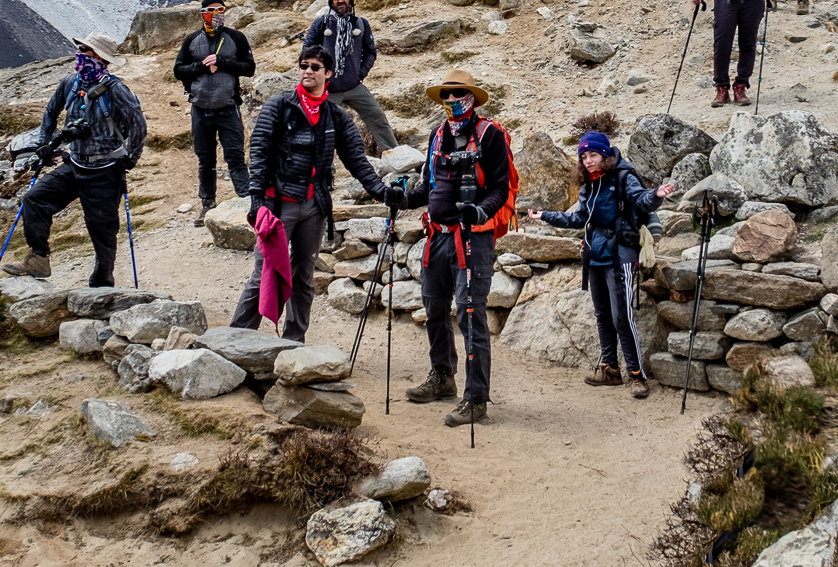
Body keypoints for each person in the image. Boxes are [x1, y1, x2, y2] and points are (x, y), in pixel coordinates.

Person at [231, 43, 391, 340]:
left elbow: (355, 158)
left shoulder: (336, 115)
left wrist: (381, 192)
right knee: (263, 272)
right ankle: (237, 337)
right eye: (304, 65)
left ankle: (294, 341)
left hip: (315, 206)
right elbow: (260, 152)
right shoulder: (278, 106)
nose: (307, 71)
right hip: (276, 205)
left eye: (315, 67)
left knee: (303, 276)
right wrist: (256, 200)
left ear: (328, 73)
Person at [386, 67, 514, 429]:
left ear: (471, 98)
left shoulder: (490, 135)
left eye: (457, 94)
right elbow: (430, 186)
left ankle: (476, 398)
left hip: (472, 236)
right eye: (446, 95)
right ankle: (442, 376)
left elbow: (500, 187)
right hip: (437, 234)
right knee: (434, 306)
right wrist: (403, 199)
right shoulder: (437, 135)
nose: (451, 100)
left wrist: (481, 210)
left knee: (471, 313)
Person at [528, 130, 673, 398]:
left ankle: (637, 375)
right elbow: (578, 218)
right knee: (602, 314)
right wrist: (545, 215)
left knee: (622, 317)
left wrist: (657, 194)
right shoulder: (589, 184)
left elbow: (642, 199)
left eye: (592, 154)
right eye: (583, 156)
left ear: (604, 154)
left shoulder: (622, 177)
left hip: (621, 256)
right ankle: (609, 369)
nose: (587, 160)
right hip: (595, 255)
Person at [6, 35, 148, 285]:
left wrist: (130, 157)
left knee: (101, 229)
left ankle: (103, 280)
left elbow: (138, 123)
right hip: (75, 163)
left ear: (101, 58)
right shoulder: (71, 83)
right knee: (35, 200)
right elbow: (51, 111)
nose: (79, 53)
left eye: (86, 50)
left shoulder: (116, 89)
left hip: (105, 169)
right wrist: (44, 144)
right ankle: (38, 258)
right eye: (80, 48)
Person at [173, 0, 257, 214]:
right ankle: (208, 204)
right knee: (205, 158)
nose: (217, 14)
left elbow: (249, 68)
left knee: (235, 156)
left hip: (228, 107)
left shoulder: (236, 38)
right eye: (211, 11)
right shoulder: (192, 40)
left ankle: (246, 201)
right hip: (200, 108)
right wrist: (201, 66)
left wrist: (223, 62)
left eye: (221, 10)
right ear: (203, 14)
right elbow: (178, 70)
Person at [302, 0, 398, 150]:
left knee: (377, 117)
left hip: (353, 86)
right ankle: (319, 171)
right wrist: (318, 78)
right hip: (327, 89)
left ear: (350, 0)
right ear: (331, 2)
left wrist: (360, 74)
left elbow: (370, 52)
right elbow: (306, 53)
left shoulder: (361, 23)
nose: (340, 0)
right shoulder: (321, 24)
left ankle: (396, 156)